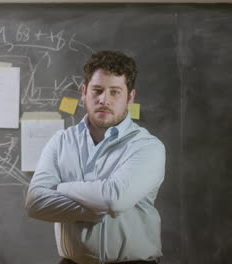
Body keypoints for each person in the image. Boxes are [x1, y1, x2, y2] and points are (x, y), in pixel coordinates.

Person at [25, 50, 165, 264]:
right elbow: (35, 203)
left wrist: (63, 188)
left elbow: (114, 199)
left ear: (130, 97)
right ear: (84, 92)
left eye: (115, 92)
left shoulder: (147, 147)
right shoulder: (61, 141)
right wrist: (97, 209)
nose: (104, 100)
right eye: (97, 90)